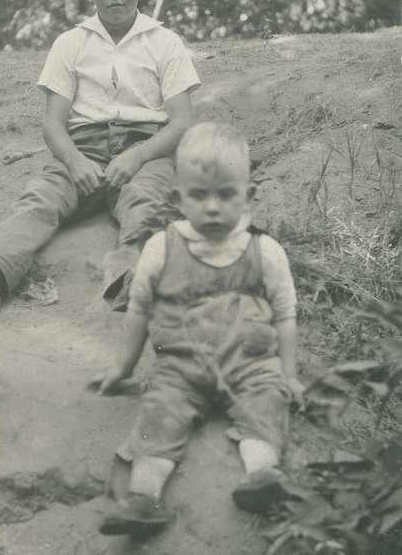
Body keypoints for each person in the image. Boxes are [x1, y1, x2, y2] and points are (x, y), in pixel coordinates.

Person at [0, 0, 200, 313]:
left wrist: (137, 157)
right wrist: (74, 161)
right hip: (84, 149)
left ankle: (137, 277)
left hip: (146, 149)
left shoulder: (165, 43)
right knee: (40, 198)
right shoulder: (71, 44)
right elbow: (53, 124)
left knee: (144, 203)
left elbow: (181, 121)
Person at [92, 122, 304, 536]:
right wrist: (122, 366)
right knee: (158, 415)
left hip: (250, 365)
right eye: (199, 195)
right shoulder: (160, 248)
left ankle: (261, 476)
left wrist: (290, 374)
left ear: (248, 195)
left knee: (266, 401)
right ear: (177, 198)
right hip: (181, 368)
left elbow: (284, 312)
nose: (212, 207)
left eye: (226, 194)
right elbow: (138, 309)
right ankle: (142, 498)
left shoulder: (266, 251)